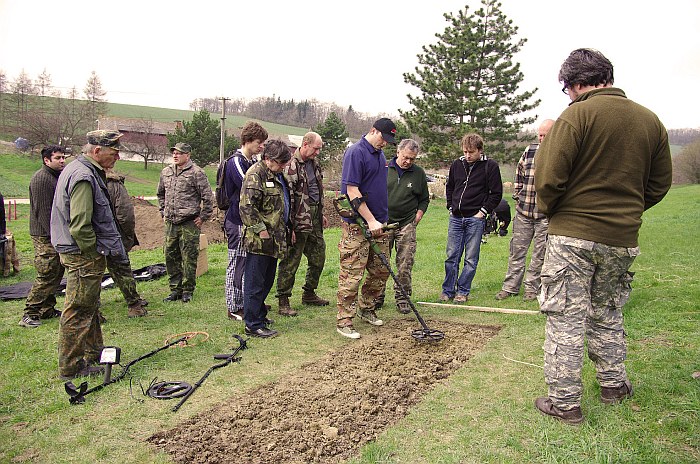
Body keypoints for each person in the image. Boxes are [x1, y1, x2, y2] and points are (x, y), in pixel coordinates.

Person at [533, 48, 672, 425]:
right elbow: (659, 184)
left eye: (567, 89)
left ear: (576, 84)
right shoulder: (651, 121)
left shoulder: (576, 115)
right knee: (607, 310)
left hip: (572, 237)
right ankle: (613, 386)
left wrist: (557, 211)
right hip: (622, 237)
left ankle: (565, 403)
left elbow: (548, 179)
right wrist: (626, 211)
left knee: (565, 318)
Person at [51, 130, 127, 380]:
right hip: (82, 254)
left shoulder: (78, 169)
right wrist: (94, 252)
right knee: (79, 308)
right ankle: (71, 367)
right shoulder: (84, 176)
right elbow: (80, 225)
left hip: (78, 251)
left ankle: (95, 351)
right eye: (113, 153)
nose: (117, 157)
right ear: (97, 151)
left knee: (90, 303)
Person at [336, 118, 396, 339]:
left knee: (380, 271)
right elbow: (352, 191)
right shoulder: (356, 153)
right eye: (383, 138)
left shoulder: (379, 155)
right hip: (358, 225)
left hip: (379, 223)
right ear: (373, 131)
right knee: (352, 274)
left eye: (389, 140)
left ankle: (366, 308)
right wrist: (370, 220)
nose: (385, 144)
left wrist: (379, 220)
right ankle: (344, 320)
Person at [495, 119, 554, 302]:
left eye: (546, 135)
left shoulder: (559, 153)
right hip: (524, 212)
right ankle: (510, 287)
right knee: (517, 251)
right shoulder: (530, 151)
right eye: (540, 135)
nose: (542, 138)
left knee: (540, 254)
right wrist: (518, 196)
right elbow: (519, 174)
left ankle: (532, 289)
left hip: (545, 216)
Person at [239, 139, 292, 338]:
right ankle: (252, 324)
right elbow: (246, 207)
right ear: (268, 159)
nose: (283, 167)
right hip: (259, 240)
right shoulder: (255, 174)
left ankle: (259, 314)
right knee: (255, 281)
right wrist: (261, 230)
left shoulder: (276, 174)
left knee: (267, 279)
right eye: (280, 163)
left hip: (275, 237)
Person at [441, 133, 503, 303]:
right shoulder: (456, 165)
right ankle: (448, 290)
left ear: (480, 150)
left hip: (475, 218)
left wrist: (482, 212)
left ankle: (463, 291)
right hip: (456, 217)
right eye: (465, 151)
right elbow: (450, 187)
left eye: (471, 152)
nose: (468, 155)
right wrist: (450, 206)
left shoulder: (490, 166)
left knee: (470, 258)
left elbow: (496, 194)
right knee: (452, 256)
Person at [276, 132, 329, 316]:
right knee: (291, 260)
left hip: (314, 216)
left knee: (318, 256)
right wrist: (289, 226)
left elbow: (316, 190)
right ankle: (283, 299)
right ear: (305, 144)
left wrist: (319, 213)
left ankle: (309, 293)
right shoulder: (291, 165)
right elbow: (287, 198)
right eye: (316, 148)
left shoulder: (314, 163)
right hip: (298, 219)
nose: (318, 152)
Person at [157, 142, 213, 303]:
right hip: (170, 223)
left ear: (187, 155)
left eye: (179, 153)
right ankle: (175, 289)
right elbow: (160, 193)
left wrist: (203, 217)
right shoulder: (166, 172)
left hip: (189, 222)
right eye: (174, 152)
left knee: (189, 256)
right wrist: (163, 211)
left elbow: (208, 197)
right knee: (170, 255)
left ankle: (188, 289)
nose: (175, 155)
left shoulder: (197, 173)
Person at [223, 121, 268, 320]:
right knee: (237, 262)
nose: (262, 146)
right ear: (248, 141)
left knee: (247, 262)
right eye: (259, 142)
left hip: (246, 221)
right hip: (236, 221)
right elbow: (248, 186)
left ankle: (246, 301)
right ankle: (233, 306)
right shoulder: (236, 162)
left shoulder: (250, 161)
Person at [19, 145, 66, 328]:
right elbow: (43, 212)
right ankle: (30, 313)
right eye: (57, 158)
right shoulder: (41, 179)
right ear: (46, 160)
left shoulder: (55, 177)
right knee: (47, 272)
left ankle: (47, 308)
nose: (62, 161)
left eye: (63, 157)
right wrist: (55, 236)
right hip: (44, 235)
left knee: (56, 271)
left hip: (53, 233)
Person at [381, 138, 429, 314]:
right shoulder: (384, 169)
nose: (408, 161)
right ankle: (377, 296)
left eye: (412, 159)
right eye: (406, 157)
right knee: (380, 263)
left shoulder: (418, 174)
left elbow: (424, 199)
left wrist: (418, 215)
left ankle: (403, 298)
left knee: (404, 264)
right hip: (384, 223)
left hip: (406, 223)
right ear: (398, 152)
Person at [105, 167, 148, 318]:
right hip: (114, 236)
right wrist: (128, 235)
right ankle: (134, 305)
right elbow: (125, 215)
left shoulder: (88, 180)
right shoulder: (114, 185)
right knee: (122, 270)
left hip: (91, 237)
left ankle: (93, 312)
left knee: (92, 275)